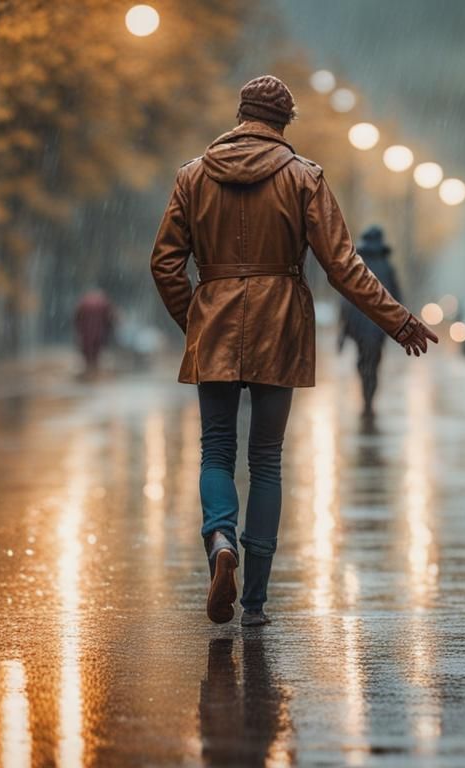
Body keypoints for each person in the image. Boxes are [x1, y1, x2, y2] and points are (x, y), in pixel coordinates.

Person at [151, 75, 438, 627]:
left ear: (240, 115)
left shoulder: (192, 176)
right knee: (265, 459)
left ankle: (220, 541)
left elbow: (164, 263)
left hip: (214, 318)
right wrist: (398, 320)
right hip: (278, 323)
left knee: (216, 450)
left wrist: (196, 321)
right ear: (284, 123)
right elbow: (343, 267)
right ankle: (255, 601)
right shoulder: (304, 177)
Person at [339, 226, 403, 419]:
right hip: (378, 325)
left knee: (363, 362)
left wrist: (344, 327)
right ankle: (369, 399)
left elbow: (345, 296)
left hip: (358, 324)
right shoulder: (387, 267)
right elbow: (396, 297)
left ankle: (366, 396)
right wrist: (398, 324)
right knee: (374, 364)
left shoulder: (357, 264)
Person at [73, 288, 116, 374]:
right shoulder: (103, 302)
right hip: (98, 331)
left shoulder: (84, 302)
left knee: (88, 349)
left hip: (86, 332)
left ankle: (89, 368)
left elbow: (77, 318)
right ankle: (93, 368)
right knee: (95, 349)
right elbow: (110, 318)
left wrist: (79, 329)